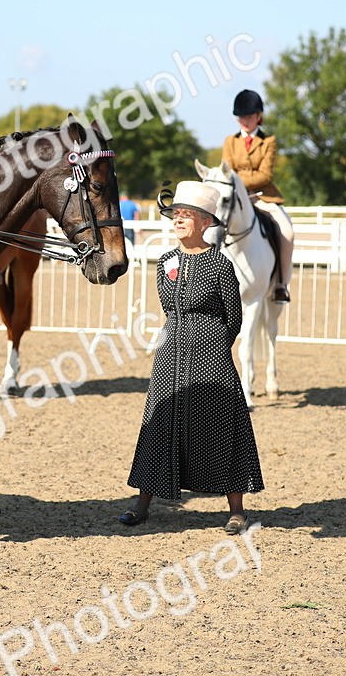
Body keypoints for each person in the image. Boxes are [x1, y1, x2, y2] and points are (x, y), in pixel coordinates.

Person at [118, 181, 264, 535]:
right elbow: (168, 306)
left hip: (212, 354)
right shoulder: (166, 261)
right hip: (170, 354)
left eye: (186, 215)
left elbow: (234, 318)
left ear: (204, 222)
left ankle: (237, 510)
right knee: (160, 423)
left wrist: (212, 346)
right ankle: (143, 504)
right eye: (176, 214)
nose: (178, 220)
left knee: (224, 425)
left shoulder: (220, 265)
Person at [222, 89, 294, 303]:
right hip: (236, 199)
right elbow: (227, 169)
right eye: (242, 117)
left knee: (288, 233)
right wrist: (232, 183)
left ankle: (281, 284)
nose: (246, 121)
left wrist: (236, 181)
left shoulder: (268, 141)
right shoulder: (230, 142)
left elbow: (265, 175)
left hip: (263, 197)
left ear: (258, 117)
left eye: (250, 117)